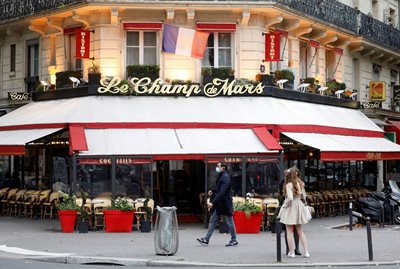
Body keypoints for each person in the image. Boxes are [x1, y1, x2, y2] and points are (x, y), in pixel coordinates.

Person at [197, 162, 238, 247]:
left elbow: (222, 192)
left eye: (218, 166)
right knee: (213, 220)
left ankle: (234, 240)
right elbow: (218, 188)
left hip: (225, 203)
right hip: (220, 204)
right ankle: (206, 239)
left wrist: (213, 202)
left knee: (229, 222)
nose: (217, 168)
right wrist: (213, 190)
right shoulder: (222, 176)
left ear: (223, 168)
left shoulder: (226, 177)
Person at [278, 166, 310, 258]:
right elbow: (304, 196)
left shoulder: (288, 185)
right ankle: (306, 252)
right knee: (300, 231)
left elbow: (290, 198)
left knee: (289, 231)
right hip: (299, 206)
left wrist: (284, 205)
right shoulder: (300, 184)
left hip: (291, 207)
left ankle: (291, 252)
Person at [279, 169, 301, 256]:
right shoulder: (286, 182)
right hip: (289, 206)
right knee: (290, 229)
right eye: (296, 173)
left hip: (291, 205)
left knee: (293, 229)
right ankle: (290, 248)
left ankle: (295, 248)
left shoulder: (297, 182)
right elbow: (281, 193)